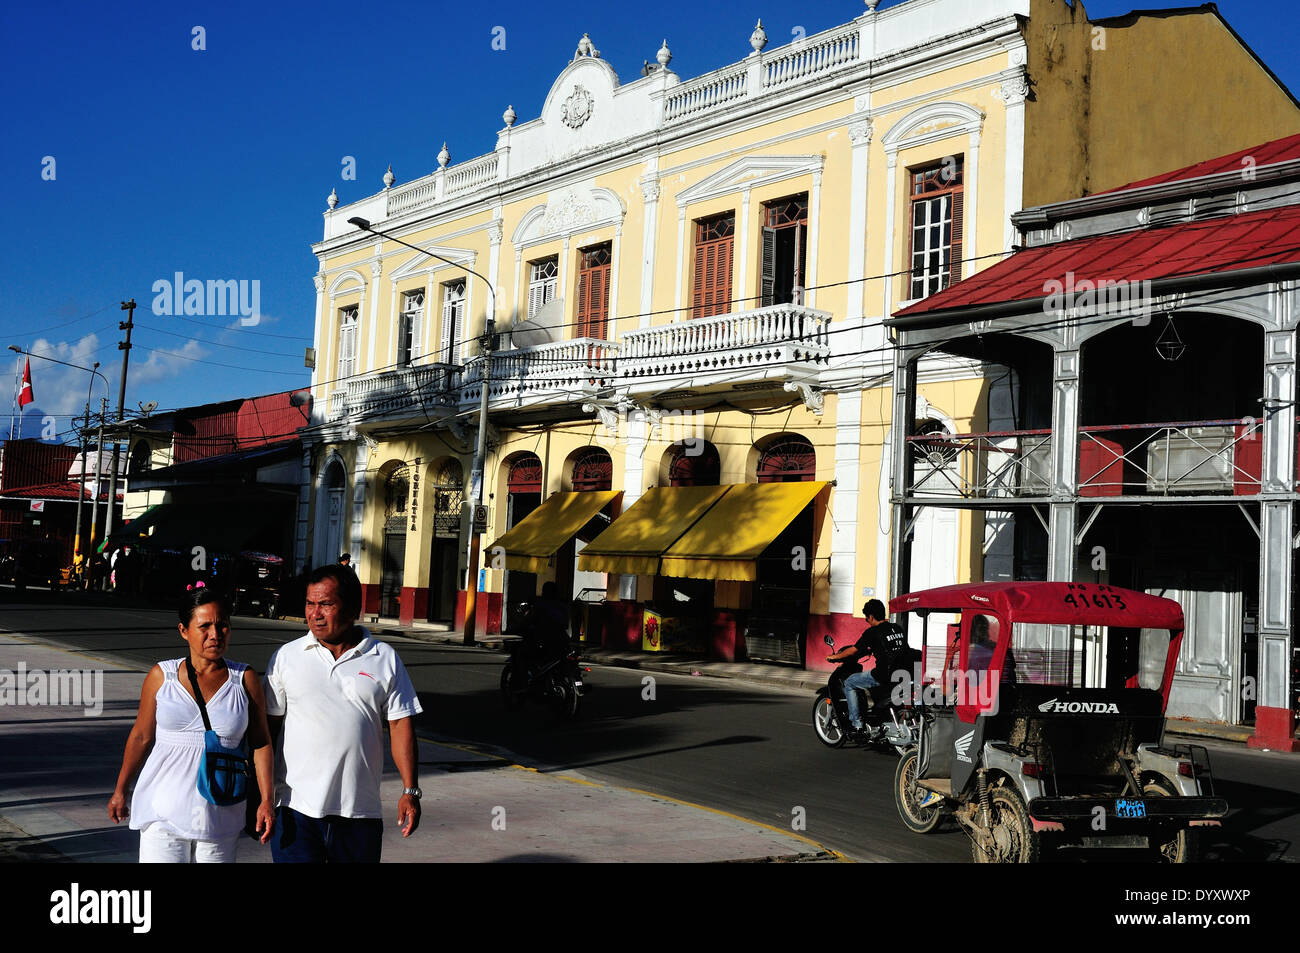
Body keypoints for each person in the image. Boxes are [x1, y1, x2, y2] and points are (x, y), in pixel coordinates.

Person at [264, 564, 422, 863]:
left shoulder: (384, 658)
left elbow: (401, 725)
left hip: (359, 814)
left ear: (351, 609)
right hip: (295, 810)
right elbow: (267, 731)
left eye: (325, 604)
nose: (315, 613)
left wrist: (410, 790)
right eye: (310, 604)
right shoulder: (287, 657)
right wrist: (261, 795)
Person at [108, 587, 275, 862]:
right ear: (184, 630)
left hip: (220, 815)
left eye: (222, 626)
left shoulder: (244, 678)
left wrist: (266, 800)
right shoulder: (162, 676)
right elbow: (141, 737)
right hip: (162, 811)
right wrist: (120, 790)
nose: (215, 634)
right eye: (205, 626)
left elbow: (261, 743)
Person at [826, 599, 907, 735]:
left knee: (850, 682)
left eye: (866, 617)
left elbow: (853, 650)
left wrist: (835, 657)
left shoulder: (873, 632)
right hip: (902, 672)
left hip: (883, 674)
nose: (866, 620)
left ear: (871, 616)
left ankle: (856, 724)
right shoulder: (897, 628)